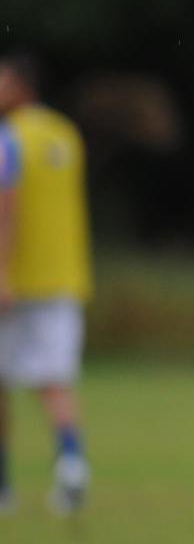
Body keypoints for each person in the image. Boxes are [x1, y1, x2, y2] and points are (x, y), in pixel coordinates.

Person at [0, 53, 92, 515]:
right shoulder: (65, 133)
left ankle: (2, 486)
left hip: (13, 281)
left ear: (20, 87)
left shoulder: (7, 138)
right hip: (64, 277)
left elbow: (7, 206)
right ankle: (73, 465)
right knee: (55, 381)